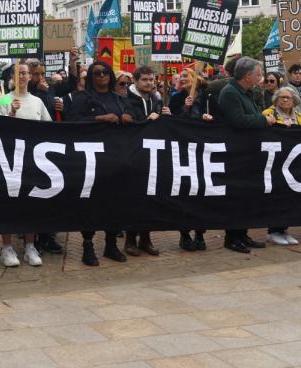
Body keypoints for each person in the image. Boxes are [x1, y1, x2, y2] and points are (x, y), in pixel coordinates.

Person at [66, 61, 132, 265]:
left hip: (115, 158)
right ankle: (88, 245)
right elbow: (72, 122)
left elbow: (132, 119)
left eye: (105, 72)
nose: (101, 76)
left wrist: (129, 118)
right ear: (91, 77)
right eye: (96, 73)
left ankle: (111, 244)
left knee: (115, 202)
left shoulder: (119, 98)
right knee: (91, 203)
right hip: (91, 159)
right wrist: (100, 118)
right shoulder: (81, 98)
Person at [0, 63, 50, 267]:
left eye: (26, 73)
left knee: (31, 204)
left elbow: (49, 128)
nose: (23, 76)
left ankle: (30, 246)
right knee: (9, 204)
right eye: (19, 73)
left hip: (33, 160)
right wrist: (10, 113)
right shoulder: (3, 99)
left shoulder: (37, 101)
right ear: (12, 76)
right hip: (9, 160)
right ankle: (7, 248)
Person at [217, 56, 273, 253]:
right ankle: (232, 237)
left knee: (248, 198)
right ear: (248, 76)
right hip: (236, 153)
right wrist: (263, 121)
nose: (261, 77)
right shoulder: (230, 93)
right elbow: (238, 121)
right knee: (237, 198)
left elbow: (252, 114)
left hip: (249, 152)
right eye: (258, 74)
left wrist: (260, 118)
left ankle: (242, 234)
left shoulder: (247, 92)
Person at [124, 65, 171, 257]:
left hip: (152, 157)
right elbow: (127, 126)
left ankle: (146, 238)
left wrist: (167, 118)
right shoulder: (125, 100)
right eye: (145, 80)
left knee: (151, 198)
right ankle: (130, 239)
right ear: (135, 81)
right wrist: (146, 120)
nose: (149, 83)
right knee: (133, 199)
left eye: (152, 80)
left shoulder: (156, 99)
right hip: (132, 156)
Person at [168, 70, 214, 252]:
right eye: (182, 76)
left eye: (188, 76)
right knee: (185, 192)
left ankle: (200, 234)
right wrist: (185, 108)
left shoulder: (207, 97)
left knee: (202, 192)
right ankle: (185, 234)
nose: (184, 79)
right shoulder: (177, 99)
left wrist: (209, 117)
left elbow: (218, 116)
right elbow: (172, 122)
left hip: (204, 149)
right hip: (183, 151)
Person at [262, 86, 301, 246]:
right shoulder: (268, 115)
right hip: (275, 163)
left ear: (294, 101)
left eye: (288, 97)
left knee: (291, 198)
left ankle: (284, 229)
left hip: (294, 164)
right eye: (281, 97)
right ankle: (273, 231)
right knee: (277, 197)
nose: (284, 100)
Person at [26, 59, 65, 255]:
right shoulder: (25, 93)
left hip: (48, 148)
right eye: (35, 74)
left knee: (51, 191)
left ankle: (48, 236)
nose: (40, 78)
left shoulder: (48, 91)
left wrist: (59, 108)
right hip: (29, 149)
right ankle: (33, 237)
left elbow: (49, 114)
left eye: (42, 74)